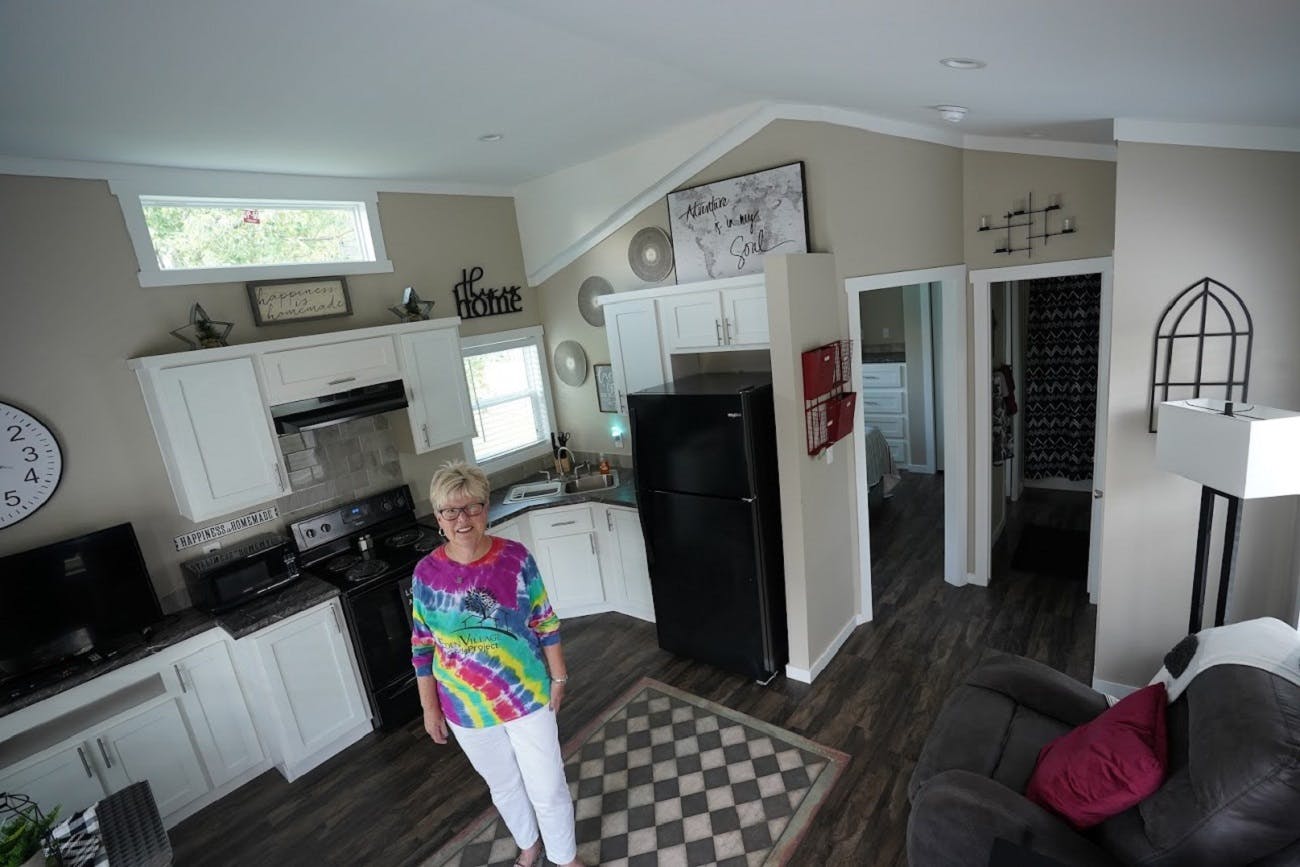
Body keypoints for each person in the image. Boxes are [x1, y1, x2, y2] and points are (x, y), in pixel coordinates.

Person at [412, 460, 583, 867]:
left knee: (549, 787)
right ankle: (528, 843)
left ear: (486, 509)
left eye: (472, 507)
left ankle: (564, 858)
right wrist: (429, 707)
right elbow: (422, 646)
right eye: (451, 510)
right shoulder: (426, 574)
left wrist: (559, 677)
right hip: (465, 707)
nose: (462, 518)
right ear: (438, 518)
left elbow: (545, 621)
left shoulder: (515, 559)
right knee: (504, 786)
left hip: (525, 695)